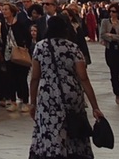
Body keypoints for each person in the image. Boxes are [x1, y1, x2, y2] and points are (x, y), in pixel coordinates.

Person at [27, 14, 102, 159]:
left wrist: (33, 102)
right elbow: (83, 77)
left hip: (48, 96)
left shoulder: (40, 47)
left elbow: (35, 77)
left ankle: (53, 152)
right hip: (71, 94)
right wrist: (95, 107)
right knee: (73, 126)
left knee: (51, 128)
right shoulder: (72, 47)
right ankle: (75, 153)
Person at [98, 1, 119, 107]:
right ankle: (118, 92)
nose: (112, 13)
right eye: (110, 11)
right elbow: (102, 34)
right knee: (114, 74)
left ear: (118, 13)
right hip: (111, 50)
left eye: (114, 11)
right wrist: (114, 36)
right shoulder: (105, 22)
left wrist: (111, 36)